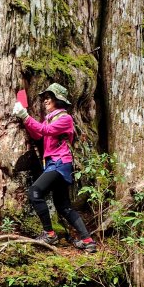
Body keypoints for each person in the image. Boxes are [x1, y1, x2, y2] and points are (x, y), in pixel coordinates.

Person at [12, 83, 97, 253]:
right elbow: (39, 134)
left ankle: (49, 233)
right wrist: (24, 119)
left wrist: (26, 116)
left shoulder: (66, 118)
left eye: (49, 97)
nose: (45, 100)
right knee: (64, 206)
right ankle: (88, 241)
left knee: (35, 192)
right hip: (54, 164)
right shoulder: (50, 119)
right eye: (45, 98)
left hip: (60, 163)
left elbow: (46, 130)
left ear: (59, 100)